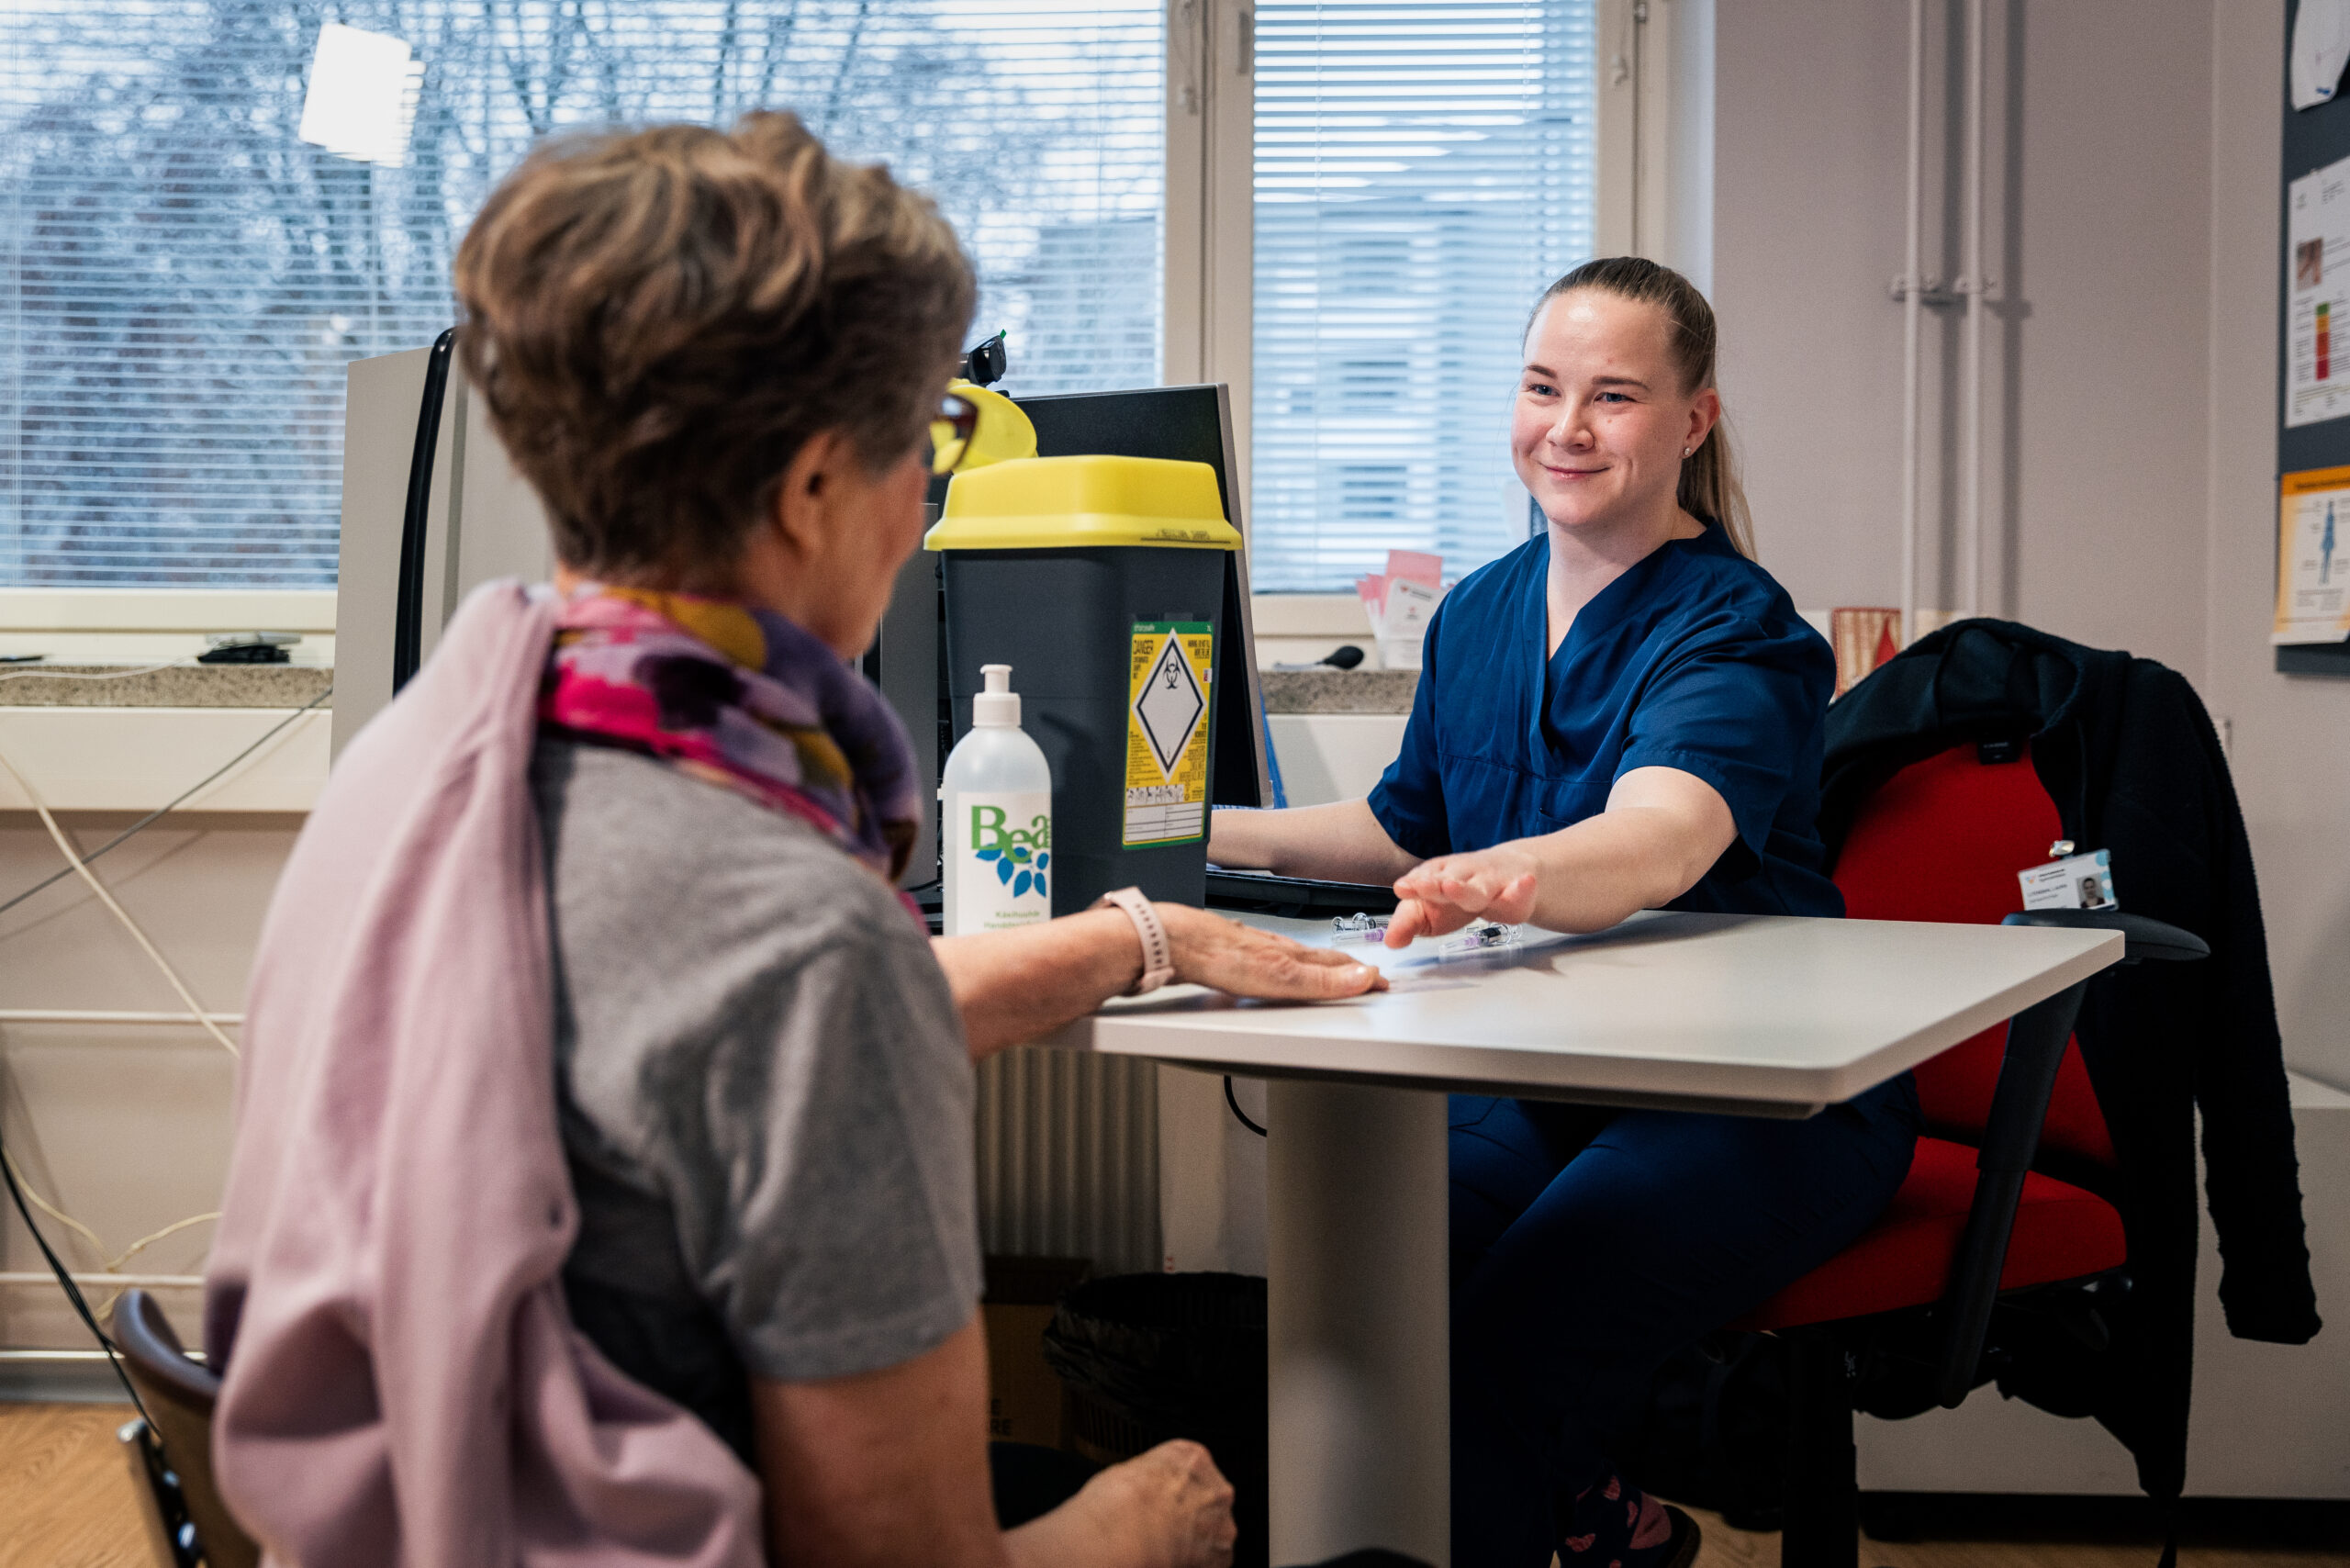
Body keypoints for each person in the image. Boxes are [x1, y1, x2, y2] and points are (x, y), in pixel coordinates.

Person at [207, 113, 1389, 1568]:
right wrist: (1137, 1527)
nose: (926, 495)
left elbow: (708, 1036)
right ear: (813, 485)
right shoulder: (796, 937)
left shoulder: (427, 762)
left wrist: (1137, 936)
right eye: (927, 438)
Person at [1211, 257, 1921, 1568]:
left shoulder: (1741, 631)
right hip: (1559, 1077)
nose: (1568, 428)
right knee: (1364, 1300)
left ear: (1694, 422)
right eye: (1543, 389)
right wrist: (1183, 832)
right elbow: (1403, 828)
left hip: (1759, 1096)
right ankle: (1592, 1512)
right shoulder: (1480, 611)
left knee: (1494, 1355)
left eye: (1614, 396)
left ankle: (1565, 1508)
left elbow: (1660, 839)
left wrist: (1510, 877)